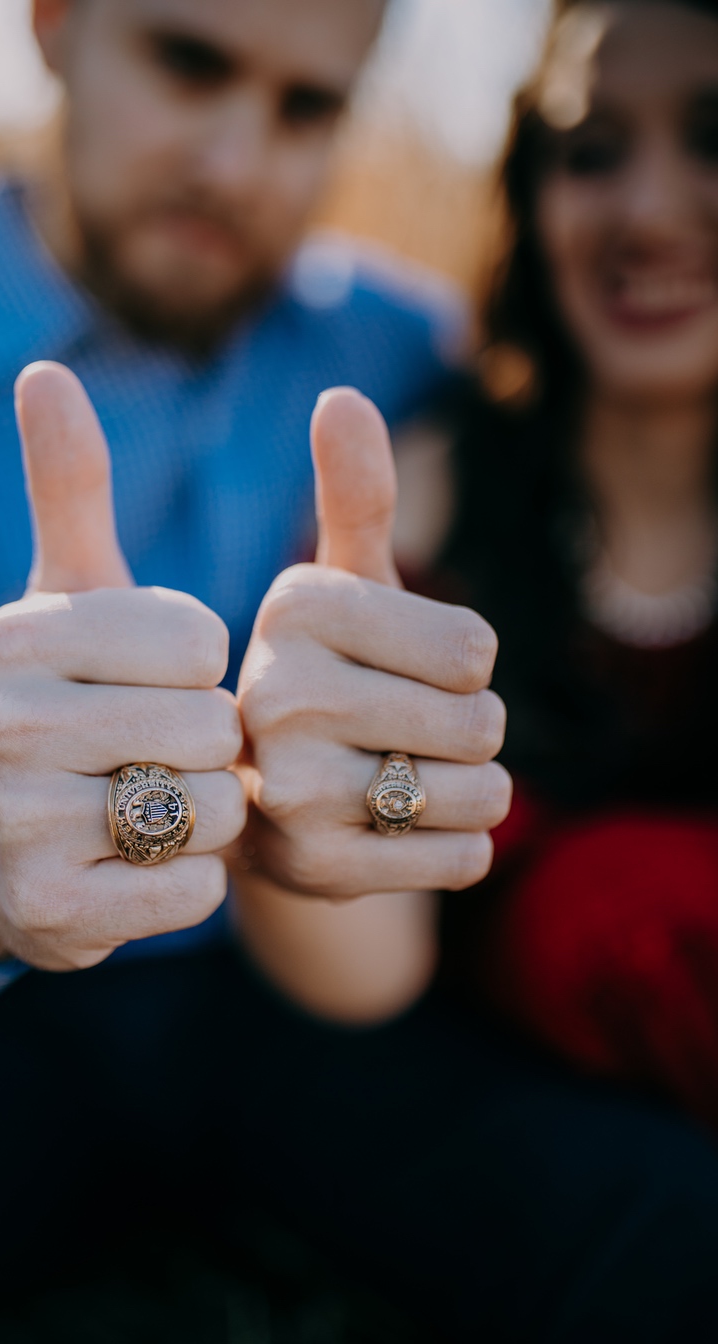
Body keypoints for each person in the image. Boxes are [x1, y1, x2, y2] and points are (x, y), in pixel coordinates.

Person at [0, 2, 718, 1340]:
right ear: (56, 24)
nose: (238, 162)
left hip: (302, 1025)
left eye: (308, 109)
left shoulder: (393, 348)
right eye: (190, 64)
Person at [394, 0, 718, 1132]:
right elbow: (359, 955)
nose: (645, 208)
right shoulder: (428, 497)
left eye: (711, 138)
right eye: (589, 153)